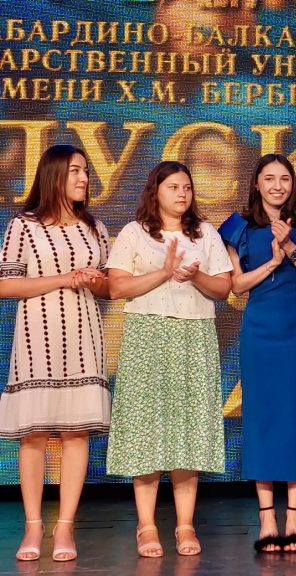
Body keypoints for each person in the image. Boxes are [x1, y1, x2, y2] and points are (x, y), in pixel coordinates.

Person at [106, 161, 232, 557]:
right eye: (174, 187)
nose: (182, 194)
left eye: (187, 187)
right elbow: (116, 287)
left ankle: (184, 525)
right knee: (145, 428)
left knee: (187, 430)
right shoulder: (134, 232)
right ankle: (146, 526)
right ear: (155, 191)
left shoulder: (206, 233)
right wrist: (163, 272)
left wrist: (194, 276)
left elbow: (223, 288)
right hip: (148, 335)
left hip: (194, 336)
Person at [0, 144, 111, 562]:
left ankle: (65, 526)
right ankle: (33, 525)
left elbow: (107, 286)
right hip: (37, 338)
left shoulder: (95, 228)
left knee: (75, 433)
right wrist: (64, 278)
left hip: (84, 337)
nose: (84, 178)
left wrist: (94, 281)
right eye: (75, 171)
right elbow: (6, 285)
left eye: (86, 171)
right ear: (54, 176)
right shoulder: (24, 225)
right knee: (34, 434)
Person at [218, 154, 296, 554]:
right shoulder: (237, 227)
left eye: (284, 179)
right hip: (259, 331)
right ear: (256, 183)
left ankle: (295, 517)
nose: (277, 186)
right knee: (260, 419)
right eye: (269, 178)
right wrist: (272, 261)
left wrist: (288, 246)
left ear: (293, 184)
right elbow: (237, 285)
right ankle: (267, 518)